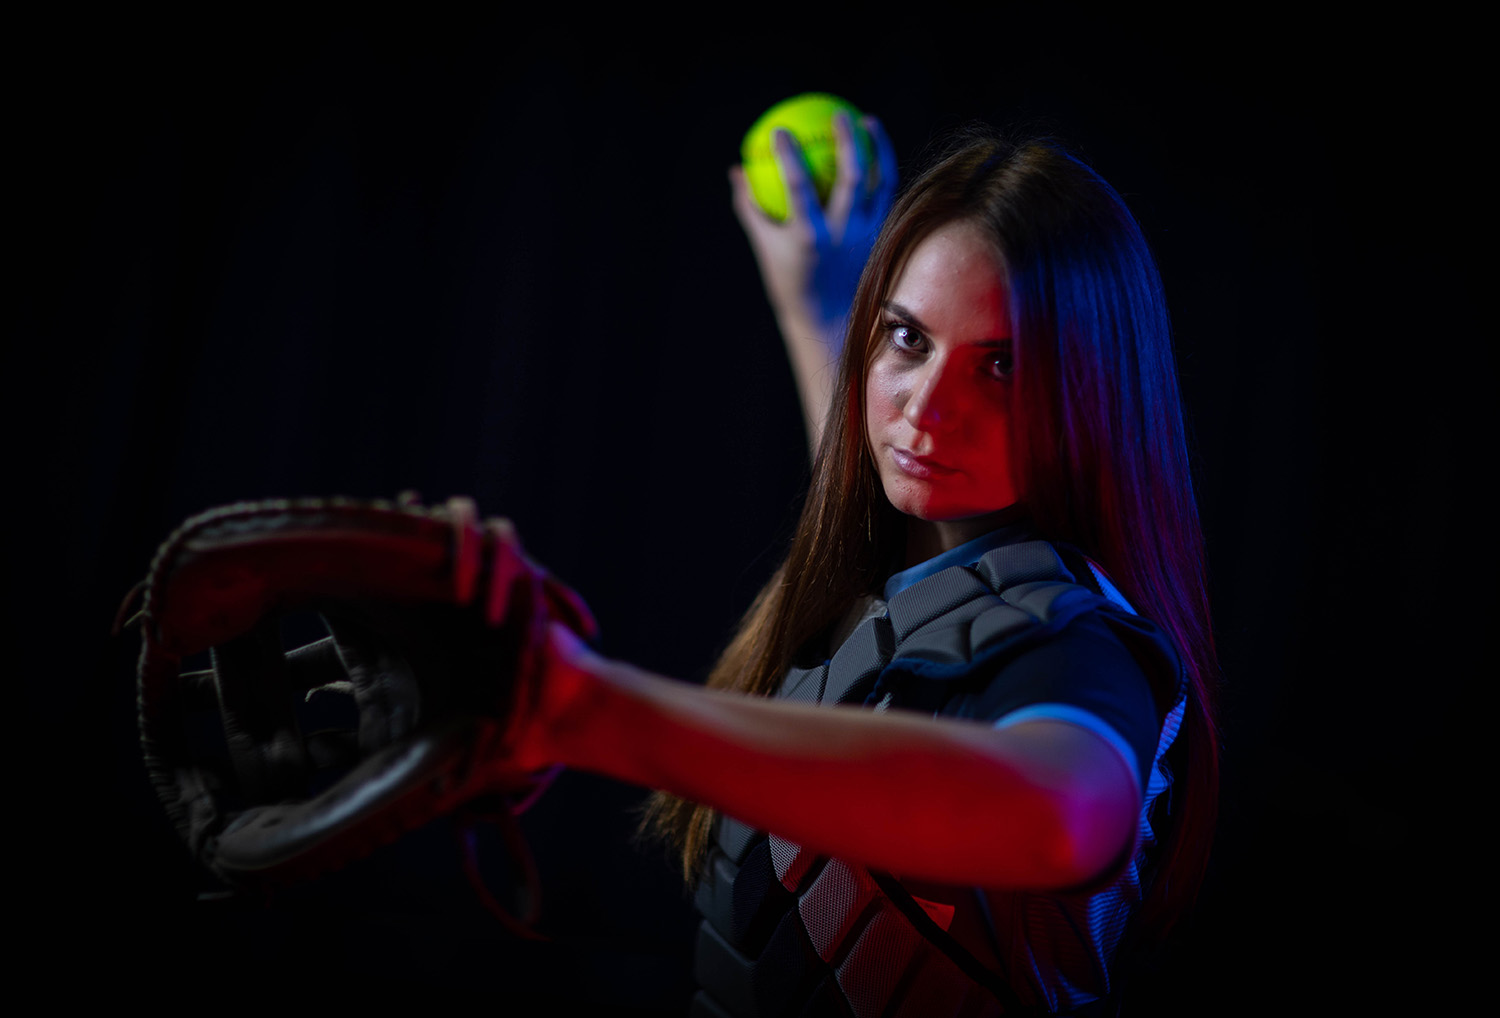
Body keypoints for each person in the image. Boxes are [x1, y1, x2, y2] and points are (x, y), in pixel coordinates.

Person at [512, 118, 1219, 1017]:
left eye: (1001, 366)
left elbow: (1060, 815)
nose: (927, 411)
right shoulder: (907, 563)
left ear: (1095, 387)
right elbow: (861, 482)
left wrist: (583, 709)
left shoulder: (1076, 643)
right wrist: (817, 305)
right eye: (907, 338)